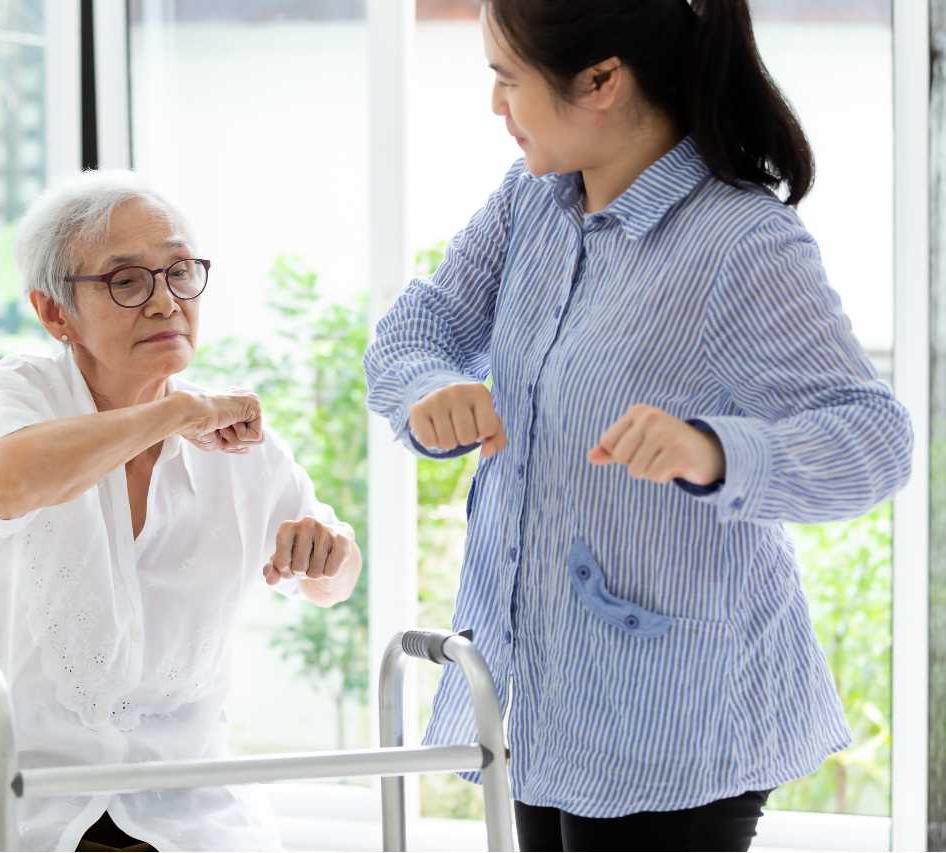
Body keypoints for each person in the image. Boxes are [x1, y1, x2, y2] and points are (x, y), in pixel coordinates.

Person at [363, 1, 913, 850]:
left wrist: (716, 449)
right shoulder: (533, 203)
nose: (495, 106)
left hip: (679, 721)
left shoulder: (741, 241)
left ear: (602, 81)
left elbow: (874, 439)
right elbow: (418, 328)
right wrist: (430, 389)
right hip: (540, 698)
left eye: (507, 79)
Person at [0, 170, 363, 851]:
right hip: (15, 811)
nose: (166, 301)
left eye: (178, 272)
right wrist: (170, 412)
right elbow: (9, 480)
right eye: (128, 281)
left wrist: (330, 549)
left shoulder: (238, 445)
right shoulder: (21, 396)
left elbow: (331, 578)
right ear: (55, 313)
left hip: (184, 813)